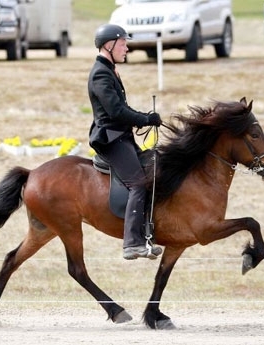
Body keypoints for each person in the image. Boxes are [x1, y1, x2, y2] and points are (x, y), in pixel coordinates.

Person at [87, 24, 163, 260]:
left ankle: (147, 233)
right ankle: (131, 244)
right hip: (111, 139)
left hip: (122, 136)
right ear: (109, 45)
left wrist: (145, 118)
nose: (127, 48)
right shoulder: (101, 73)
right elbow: (116, 111)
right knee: (138, 183)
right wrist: (145, 119)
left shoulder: (110, 70)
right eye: (123, 43)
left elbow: (123, 109)